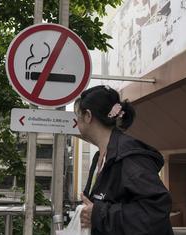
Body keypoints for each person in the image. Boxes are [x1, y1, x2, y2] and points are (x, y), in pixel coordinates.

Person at [74, 85, 174, 235]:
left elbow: (156, 211)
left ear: (88, 116)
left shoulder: (129, 156)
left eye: (78, 115)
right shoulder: (100, 157)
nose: (76, 121)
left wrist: (99, 214)